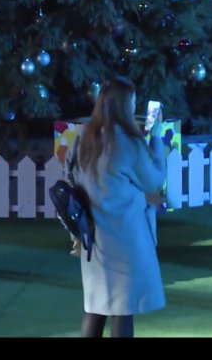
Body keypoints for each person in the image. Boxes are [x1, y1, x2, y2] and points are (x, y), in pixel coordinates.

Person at [65, 76, 167, 337]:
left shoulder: (84, 136)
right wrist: (155, 139)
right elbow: (153, 180)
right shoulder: (126, 142)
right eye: (132, 102)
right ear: (124, 105)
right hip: (125, 236)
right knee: (123, 308)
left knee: (97, 306)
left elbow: (71, 176)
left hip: (93, 235)